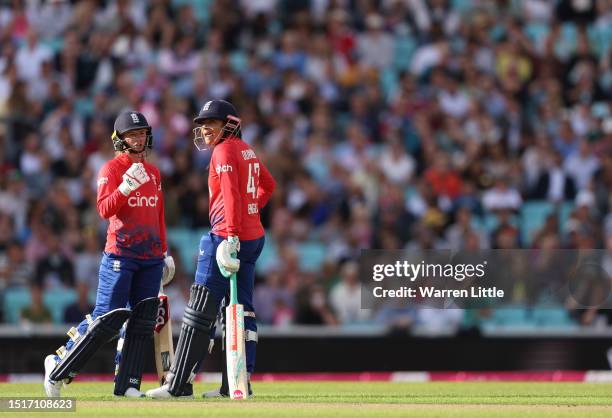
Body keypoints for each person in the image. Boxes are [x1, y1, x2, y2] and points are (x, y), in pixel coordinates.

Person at [146, 99, 276, 398]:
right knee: (241, 310)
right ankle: (237, 384)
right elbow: (267, 185)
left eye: (211, 124)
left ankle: (178, 387)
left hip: (225, 237)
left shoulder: (224, 150)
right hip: (252, 237)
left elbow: (230, 193)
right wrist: (251, 214)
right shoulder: (247, 149)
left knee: (201, 308)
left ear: (229, 124)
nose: (204, 130)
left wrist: (231, 233)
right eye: (202, 125)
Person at [43, 111, 175, 398]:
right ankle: (57, 366)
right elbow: (105, 210)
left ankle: (128, 383)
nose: (140, 139)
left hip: (150, 257)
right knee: (107, 318)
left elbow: (158, 213)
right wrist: (127, 186)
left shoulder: (154, 172)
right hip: (121, 255)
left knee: (141, 322)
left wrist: (164, 250)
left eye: (142, 133)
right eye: (133, 134)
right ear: (120, 140)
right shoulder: (111, 170)